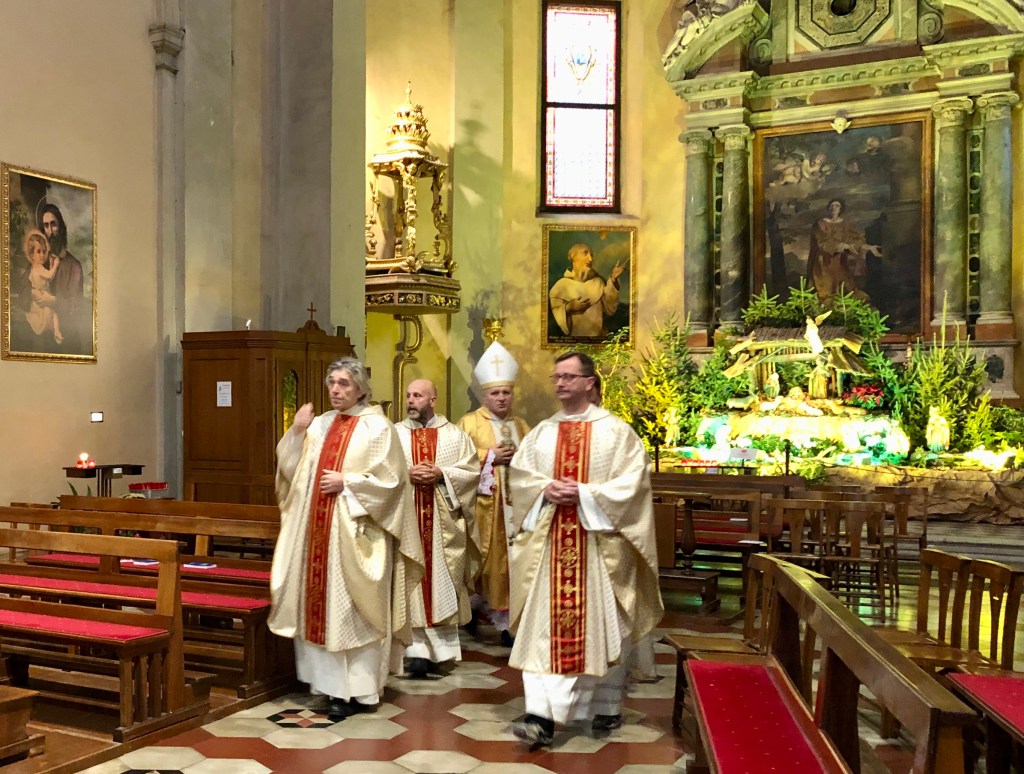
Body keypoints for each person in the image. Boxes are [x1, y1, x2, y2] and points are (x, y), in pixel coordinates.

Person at [507, 352, 664, 747]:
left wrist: (585, 494)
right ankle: (540, 716)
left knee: (600, 631)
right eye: (556, 377)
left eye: (568, 376)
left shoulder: (617, 433)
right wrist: (544, 488)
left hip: (597, 548)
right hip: (548, 546)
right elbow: (521, 478)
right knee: (542, 631)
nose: (560, 383)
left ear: (589, 382)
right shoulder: (542, 433)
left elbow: (633, 485)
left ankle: (604, 704)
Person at [269, 358, 423, 721]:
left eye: (344, 384)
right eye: (332, 383)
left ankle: (361, 690)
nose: (336, 390)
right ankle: (330, 689)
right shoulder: (320, 425)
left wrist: (348, 483)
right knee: (323, 611)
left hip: (357, 537)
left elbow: (393, 483)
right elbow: (292, 473)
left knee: (355, 612)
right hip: (317, 537)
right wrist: (296, 432)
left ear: (361, 389)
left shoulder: (378, 427)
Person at [396, 378, 481, 678]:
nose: (410, 400)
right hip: (408, 523)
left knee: (441, 583)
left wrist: (442, 473)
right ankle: (415, 651)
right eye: (408, 395)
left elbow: (471, 472)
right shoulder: (395, 434)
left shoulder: (455, 436)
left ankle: (441, 651)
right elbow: (381, 471)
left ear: (433, 400)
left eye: (418, 395)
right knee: (410, 581)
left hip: (443, 526)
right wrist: (406, 473)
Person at [457, 341, 532, 647]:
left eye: (506, 392)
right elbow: (458, 460)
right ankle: (472, 608)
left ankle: (506, 623)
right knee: (483, 563)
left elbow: (534, 461)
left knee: (510, 565)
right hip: (483, 508)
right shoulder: (469, 423)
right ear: (484, 395)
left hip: (515, 511)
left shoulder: (522, 426)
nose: (501, 398)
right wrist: (489, 456)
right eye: (495, 393)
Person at [805, 198, 881, 303]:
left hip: (839, 260)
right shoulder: (821, 223)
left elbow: (853, 239)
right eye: (832, 205)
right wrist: (840, 245)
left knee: (844, 287)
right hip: (824, 261)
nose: (834, 208)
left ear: (840, 209)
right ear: (828, 208)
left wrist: (867, 247)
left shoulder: (844, 224)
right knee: (825, 289)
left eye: (837, 206)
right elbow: (821, 241)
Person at [548, 243, 625, 338]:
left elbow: (610, 308)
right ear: (573, 256)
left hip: (598, 339)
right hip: (573, 341)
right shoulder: (560, 286)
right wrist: (569, 307)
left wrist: (613, 278)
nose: (590, 259)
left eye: (591, 255)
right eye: (585, 253)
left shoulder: (598, 282)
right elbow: (552, 318)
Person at [38, 203, 86, 353]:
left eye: (53, 224)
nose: (50, 231)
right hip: (44, 341)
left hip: (68, 342)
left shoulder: (74, 266)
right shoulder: (40, 262)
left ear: (61, 227)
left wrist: (52, 300)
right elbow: (24, 287)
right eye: (46, 226)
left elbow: (74, 306)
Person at [21, 230, 63, 345]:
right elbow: (49, 275)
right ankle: (56, 331)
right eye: (38, 251)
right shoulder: (38, 267)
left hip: (40, 296)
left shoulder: (36, 267)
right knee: (52, 312)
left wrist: (51, 264)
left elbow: (47, 277)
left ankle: (57, 331)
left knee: (53, 312)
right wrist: (55, 265)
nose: (42, 255)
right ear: (31, 255)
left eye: (44, 251)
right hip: (40, 298)